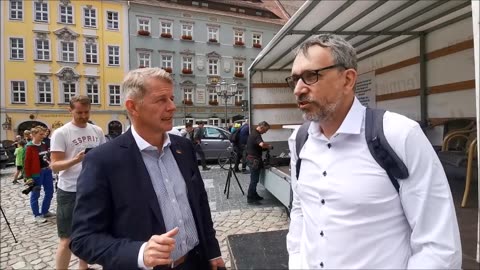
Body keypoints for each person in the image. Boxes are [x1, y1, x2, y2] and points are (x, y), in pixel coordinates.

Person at [285, 34, 461, 269]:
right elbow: (300, 210)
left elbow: (438, 245)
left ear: (348, 80)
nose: (298, 89)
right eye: (295, 79)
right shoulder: (299, 139)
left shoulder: (399, 134)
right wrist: (296, 261)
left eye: (310, 76)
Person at [69, 67, 224, 270]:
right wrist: (140, 253)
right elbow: (83, 239)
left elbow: (200, 205)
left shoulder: (183, 147)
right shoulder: (102, 160)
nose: (172, 107)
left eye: (171, 98)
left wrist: (212, 252)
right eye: (161, 100)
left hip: (195, 262)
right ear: (133, 107)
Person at [50, 95, 105, 270]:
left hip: (93, 188)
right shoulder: (61, 133)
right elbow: (55, 166)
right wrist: (75, 160)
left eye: (86, 112)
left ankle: (83, 267)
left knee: (87, 233)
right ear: (70, 110)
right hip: (70, 190)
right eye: (79, 112)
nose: (83, 116)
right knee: (67, 239)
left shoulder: (97, 131)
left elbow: (104, 157)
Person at [24, 127, 54, 224]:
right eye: (40, 134)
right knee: (35, 194)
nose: (43, 136)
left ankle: (45, 211)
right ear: (33, 135)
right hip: (36, 173)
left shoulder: (44, 145)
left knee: (50, 191)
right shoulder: (29, 147)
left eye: (43, 134)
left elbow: (47, 156)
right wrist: (28, 177)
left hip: (47, 171)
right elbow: (26, 163)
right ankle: (37, 215)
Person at [245, 121, 272, 204]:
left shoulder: (254, 133)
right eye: (265, 130)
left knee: (255, 179)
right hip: (254, 160)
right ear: (262, 127)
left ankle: (254, 194)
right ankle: (250, 198)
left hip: (251, 159)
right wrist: (269, 146)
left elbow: (257, 146)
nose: (265, 132)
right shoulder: (256, 134)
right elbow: (261, 144)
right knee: (254, 179)